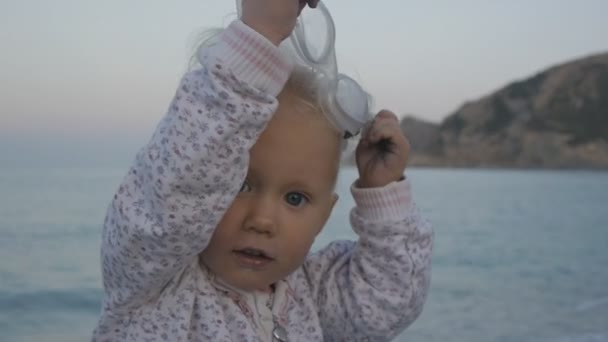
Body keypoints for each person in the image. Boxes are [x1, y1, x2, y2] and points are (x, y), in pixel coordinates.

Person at [93, 0, 433, 340]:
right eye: (240, 185)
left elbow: (388, 301)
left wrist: (382, 194)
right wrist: (259, 38)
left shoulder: (312, 293)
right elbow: (178, 186)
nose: (263, 220)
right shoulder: (153, 280)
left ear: (324, 216)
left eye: (296, 198)